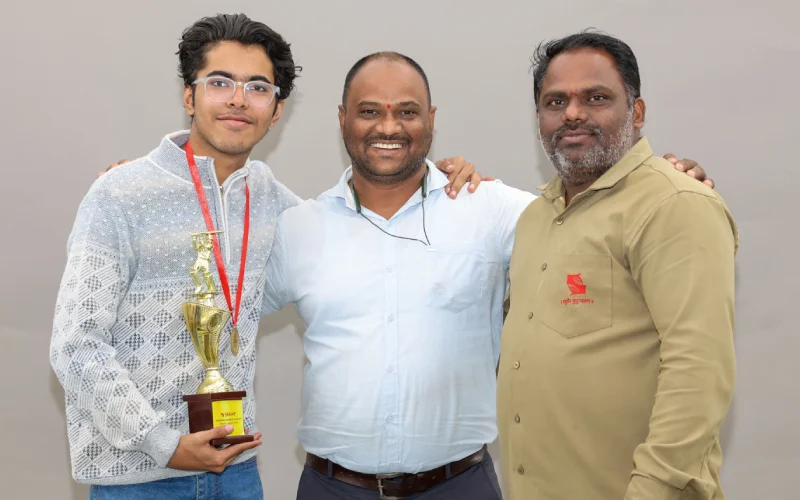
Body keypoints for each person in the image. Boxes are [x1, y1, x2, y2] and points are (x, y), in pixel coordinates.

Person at [49, 14, 478, 499]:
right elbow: (75, 343)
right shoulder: (121, 194)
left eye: (257, 87)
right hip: (141, 477)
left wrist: (440, 181)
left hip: (236, 471)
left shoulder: (275, 202)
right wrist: (163, 445)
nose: (238, 99)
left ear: (276, 111)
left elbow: (364, 234)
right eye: (219, 82)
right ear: (189, 96)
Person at [260, 51, 714, 500]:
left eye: (408, 112)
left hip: (459, 485)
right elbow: (230, 319)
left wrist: (657, 178)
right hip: (332, 487)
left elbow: (593, 221)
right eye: (369, 111)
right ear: (343, 119)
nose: (389, 127)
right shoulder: (299, 228)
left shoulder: (493, 210)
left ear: (431, 120)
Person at [497, 31, 737, 500]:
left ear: (637, 112)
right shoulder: (534, 218)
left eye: (596, 97)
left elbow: (698, 370)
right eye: (555, 101)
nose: (572, 113)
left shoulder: (674, 204)